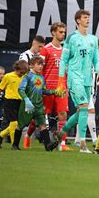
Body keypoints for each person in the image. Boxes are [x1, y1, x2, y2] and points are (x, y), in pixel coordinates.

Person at [53, 9, 99, 154]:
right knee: (84, 107)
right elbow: (63, 60)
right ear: (78, 20)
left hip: (88, 80)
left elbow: (96, 60)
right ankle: (82, 144)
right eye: (84, 17)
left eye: (88, 17)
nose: (87, 19)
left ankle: (61, 132)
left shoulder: (93, 39)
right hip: (74, 77)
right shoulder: (71, 38)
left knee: (81, 111)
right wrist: (61, 80)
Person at [12, 56, 61, 151]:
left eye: (42, 64)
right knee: (20, 125)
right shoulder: (27, 76)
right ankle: (15, 145)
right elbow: (20, 90)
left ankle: (48, 146)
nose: (41, 66)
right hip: (27, 106)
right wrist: (26, 100)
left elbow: (43, 91)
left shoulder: (42, 77)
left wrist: (55, 92)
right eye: (38, 64)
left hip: (38, 106)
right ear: (31, 65)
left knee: (43, 125)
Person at [36, 22, 71, 151]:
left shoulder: (65, 51)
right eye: (60, 32)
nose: (63, 34)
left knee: (63, 115)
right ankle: (29, 135)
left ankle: (62, 144)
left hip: (61, 89)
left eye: (64, 32)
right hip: (47, 89)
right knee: (41, 115)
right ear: (53, 33)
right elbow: (39, 69)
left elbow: (67, 70)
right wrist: (40, 86)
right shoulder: (46, 49)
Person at [73, 38, 99, 148]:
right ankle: (95, 139)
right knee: (91, 111)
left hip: (92, 91)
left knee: (81, 113)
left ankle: (77, 140)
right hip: (81, 89)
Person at [0, 60, 29, 148]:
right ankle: (14, 145)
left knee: (18, 124)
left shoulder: (24, 77)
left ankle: (1, 135)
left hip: (20, 102)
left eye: (24, 73)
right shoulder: (8, 76)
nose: (22, 74)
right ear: (17, 68)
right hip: (9, 102)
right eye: (21, 72)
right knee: (14, 123)